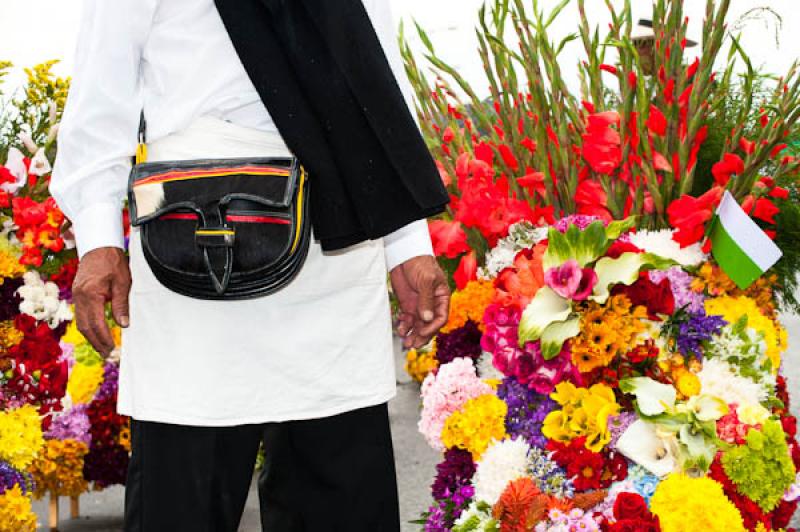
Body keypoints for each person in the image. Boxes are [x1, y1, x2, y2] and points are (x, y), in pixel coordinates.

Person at [50, 0, 451, 530]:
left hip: (333, 248)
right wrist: (99, 240)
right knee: (181, 507)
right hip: (195, 248)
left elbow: (376, 87)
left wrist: (406, 243)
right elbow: (103, 90)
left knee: (341, 502)